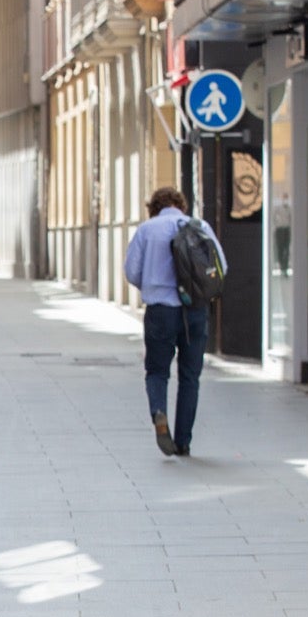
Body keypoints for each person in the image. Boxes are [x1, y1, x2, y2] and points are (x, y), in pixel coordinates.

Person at [124, 188, 226, 458]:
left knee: (157, 371)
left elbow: (132, 271)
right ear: (180, 205)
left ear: (154, 207)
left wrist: (155, 285)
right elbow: (221, 267)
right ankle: (183, 441)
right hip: (195, 310)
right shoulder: (199, 226)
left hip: (160, 310)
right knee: (190, 376)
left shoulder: (147, 229)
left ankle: (159, 411)